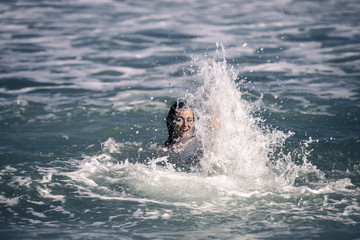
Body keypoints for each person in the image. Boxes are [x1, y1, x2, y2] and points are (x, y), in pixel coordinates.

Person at [163, 101, 202, 171]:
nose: (185, 124)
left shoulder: (199, 144)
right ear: (171, 122)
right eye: (179, 120)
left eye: (189, 120)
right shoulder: (165, 149)